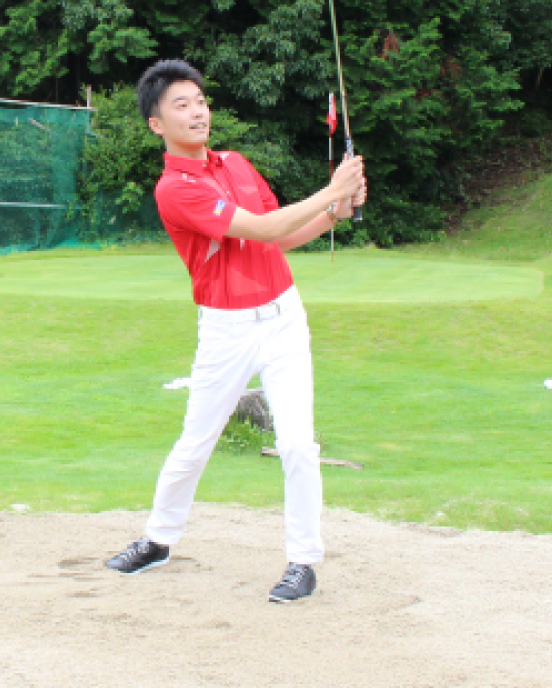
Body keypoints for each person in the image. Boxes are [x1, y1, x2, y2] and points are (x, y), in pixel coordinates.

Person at [104, 60, 366, 603]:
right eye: (181, 104)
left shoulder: (238, 165)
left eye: (200, 100)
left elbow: (281, 238)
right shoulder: (174, 189)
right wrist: (331, 189)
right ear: (157, 123)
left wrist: (335, 212)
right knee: (196, 441)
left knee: (297, 444)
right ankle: (158, 539)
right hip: (226, 329)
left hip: (284, 318)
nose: (197, 111)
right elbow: (265, 225)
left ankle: (303, 560)